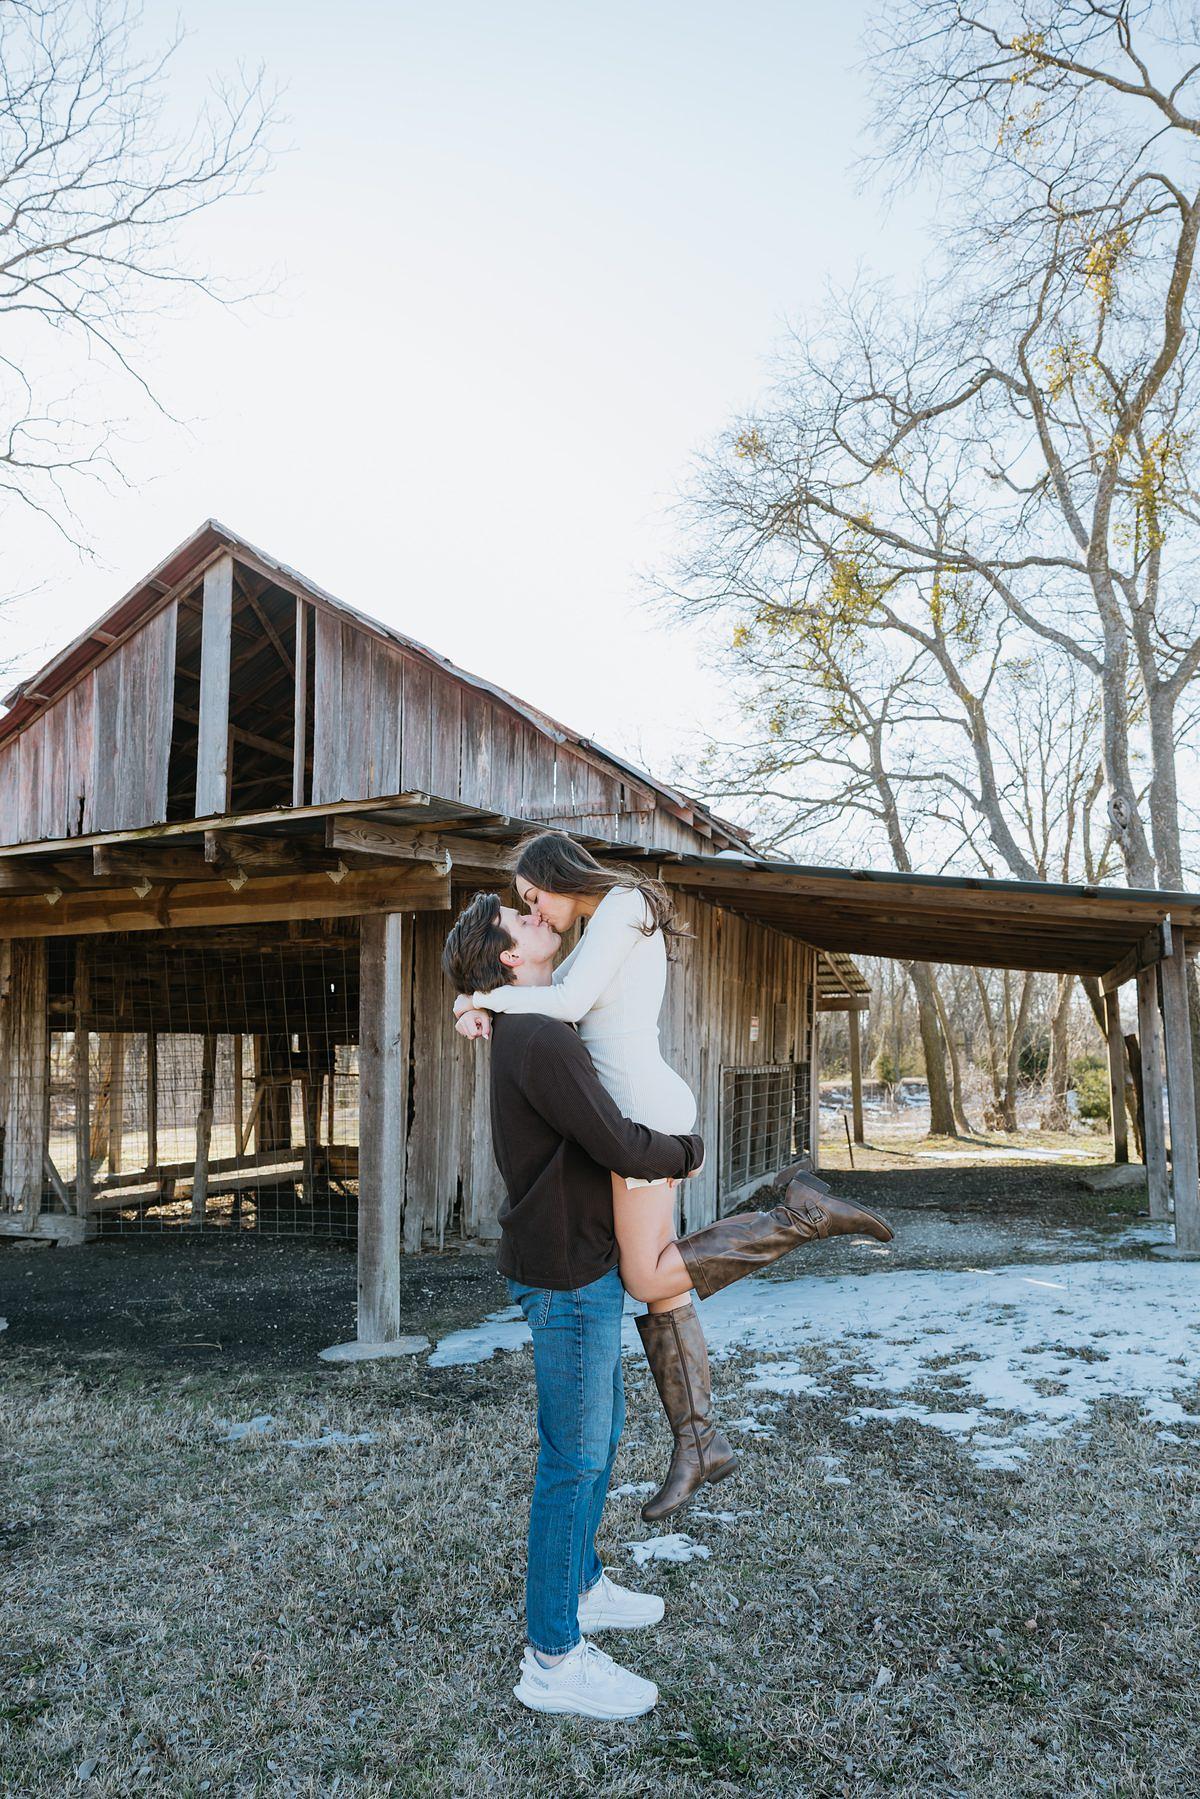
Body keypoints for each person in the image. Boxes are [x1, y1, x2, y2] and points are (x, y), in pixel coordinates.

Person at [442, 876, 892, 1719]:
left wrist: (472, 1002)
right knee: (574, 1460)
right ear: (507, 957)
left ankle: (582, 1586)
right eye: (519, 916)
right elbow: (614, 1140)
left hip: (577, 1260)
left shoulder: (531, 1019)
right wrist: (688, 1151)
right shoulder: (536, 1034)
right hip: (566, 1274)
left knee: (602, 1434)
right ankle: (553, 1656)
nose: (536, 913)